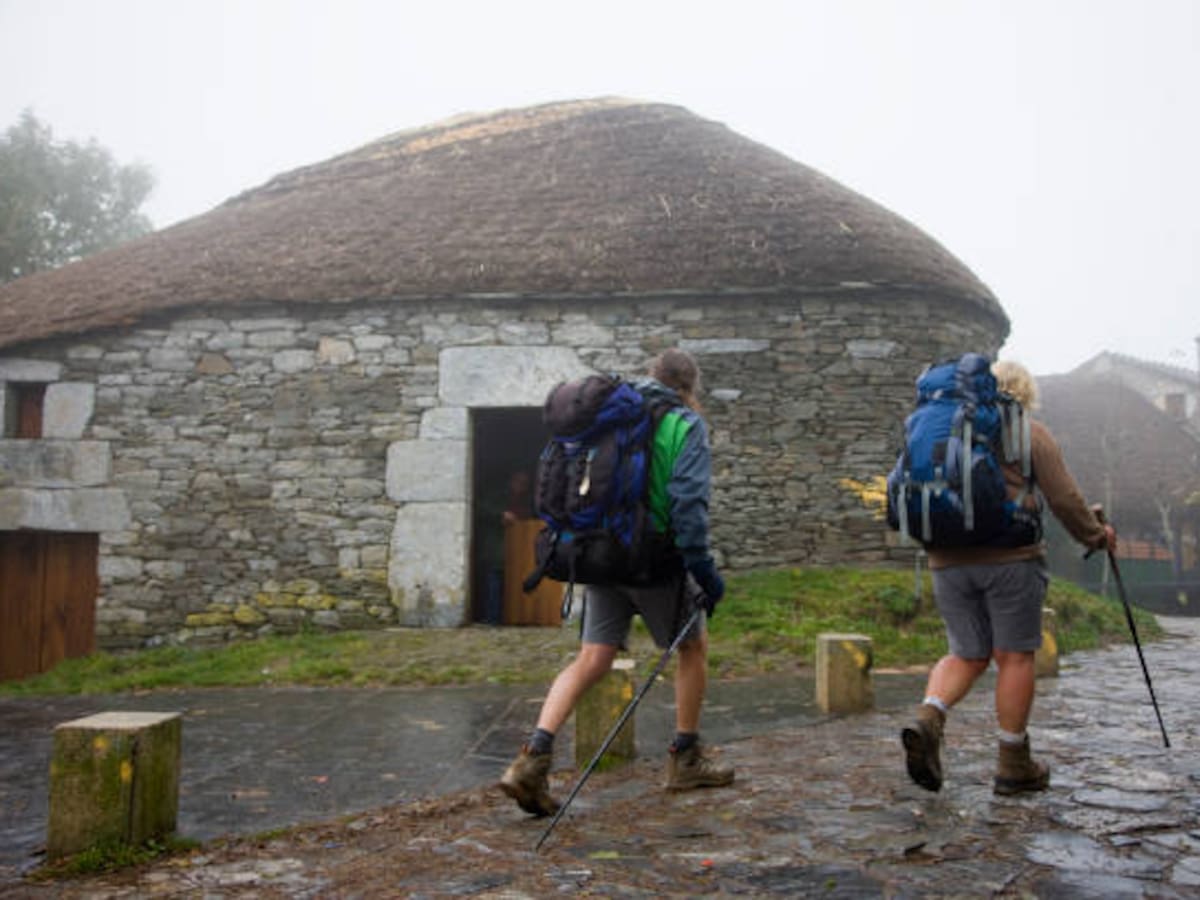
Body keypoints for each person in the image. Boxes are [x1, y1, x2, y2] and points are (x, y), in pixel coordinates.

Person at [499, 348, 732, 816]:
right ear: (690, 387)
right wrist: (706, 575)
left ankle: (531, 761)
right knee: (692, 647)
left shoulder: (606, 417)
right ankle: (685, 758)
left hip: (596, 553)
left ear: (652, 376)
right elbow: (687, 506)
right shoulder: (683, 424)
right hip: (652, 560)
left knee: (592, 657)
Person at [902, 359, 1117, 796]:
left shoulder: (944, 429)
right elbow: (1065, 499)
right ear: (1025, 393)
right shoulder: (1028, 432)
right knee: (1014, 657)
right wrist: (1096, 535)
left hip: (947, 559)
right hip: (1010, 559)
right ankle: (1013, 762)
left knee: (965, 653)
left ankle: (929, 717)